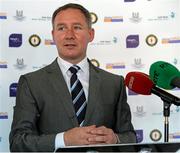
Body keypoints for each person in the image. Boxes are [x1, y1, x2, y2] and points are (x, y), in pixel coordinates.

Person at [9, 3, 136, 152]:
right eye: (61, 28)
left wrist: (116, 139)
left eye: (77, 27)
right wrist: (63, 139)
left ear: (91, 34)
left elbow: (130, 138)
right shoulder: (31, 83)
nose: (69, 35)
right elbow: (18, 142)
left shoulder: (114, 83)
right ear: (53, 35)